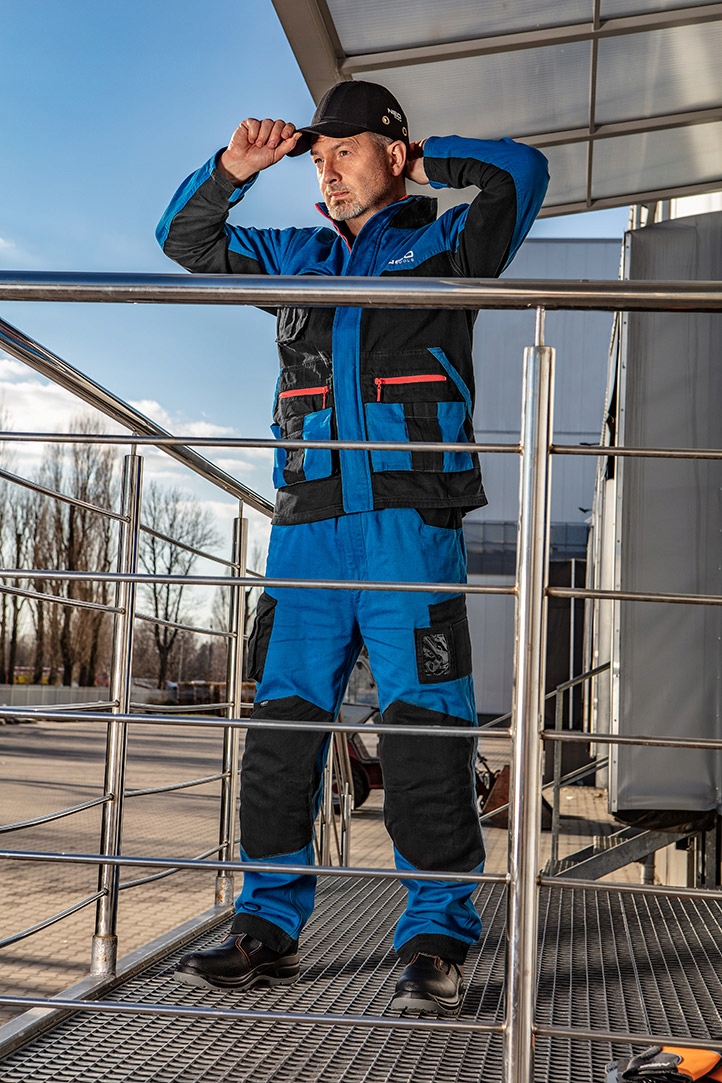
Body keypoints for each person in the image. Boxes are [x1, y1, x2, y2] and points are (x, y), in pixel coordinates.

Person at [157, 80, 548, 1016]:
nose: (327, 173)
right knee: (281, 736)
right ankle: (265, 926)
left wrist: (427, 159)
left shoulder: (450, 243)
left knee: (424, 738)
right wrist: (234, 169)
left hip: (411, 527)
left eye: (345, 152)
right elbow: (186, 241)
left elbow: (522, 174)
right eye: (319, 159)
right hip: (308, 531)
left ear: (392, 151)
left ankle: (436, 937)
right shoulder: (295, 256)